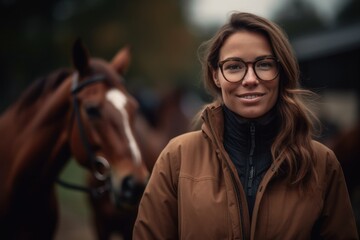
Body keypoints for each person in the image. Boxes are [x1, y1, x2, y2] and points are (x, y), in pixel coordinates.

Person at [133, 12, 358, 239]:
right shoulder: (177, 157)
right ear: (216, 76)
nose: (250, 79)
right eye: (234, 67)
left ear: (281, 72)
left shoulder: (322, 163)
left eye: (264, 64)